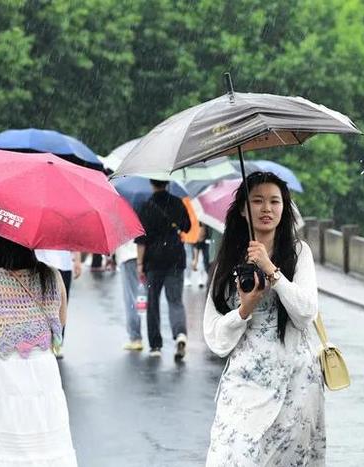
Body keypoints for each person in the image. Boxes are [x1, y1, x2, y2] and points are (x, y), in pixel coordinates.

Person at [204, 172, 324, 466]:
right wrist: (244, 309)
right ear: (243, 209)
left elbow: (306, 312)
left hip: (296, 380)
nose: (266, 208)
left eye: (274, 201)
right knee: (231, 456)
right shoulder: (228, 258)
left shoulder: (298, 253)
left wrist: (272, 270)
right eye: (257, 201)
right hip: (245, 379)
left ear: (285, 209)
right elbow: (215, 336)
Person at [0, 232, 76, 466]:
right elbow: (60, 322)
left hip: (4, 375)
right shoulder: (52, 276)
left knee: (4, 448)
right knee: (43, 440)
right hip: (43, 372)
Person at [136, 179, 191, 359]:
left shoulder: (146, 206)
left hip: (154, 260)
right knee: (175, 300)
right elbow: (187, 227)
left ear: (151, 183)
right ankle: (180, 334)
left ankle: (155, 346)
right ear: (167, 183)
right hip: (176, 256)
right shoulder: (177, 202)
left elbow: (141, 240)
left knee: (153, 303)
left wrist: (139, 265)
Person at [34, 249, 82, 359]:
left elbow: (73, 237)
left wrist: (77, 260)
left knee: (61, 305)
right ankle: (41, 341)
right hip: (42, 263)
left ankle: (58, 342)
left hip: (64, 264)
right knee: (41, 306)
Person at [116, 239, 143, 351]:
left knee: (130, 298)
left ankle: (135, 337)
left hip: (127, 256)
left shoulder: (120, 221)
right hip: (140, 254)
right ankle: (138, 336)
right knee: (139, 296)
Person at [191, 222, 211, 287]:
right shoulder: (199, 220)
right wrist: (195, 259)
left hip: (207, 240)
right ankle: (201, 278)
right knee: (201, 260)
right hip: (198, 240)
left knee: (206, 261)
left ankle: (207, 278)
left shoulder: (209, 224)